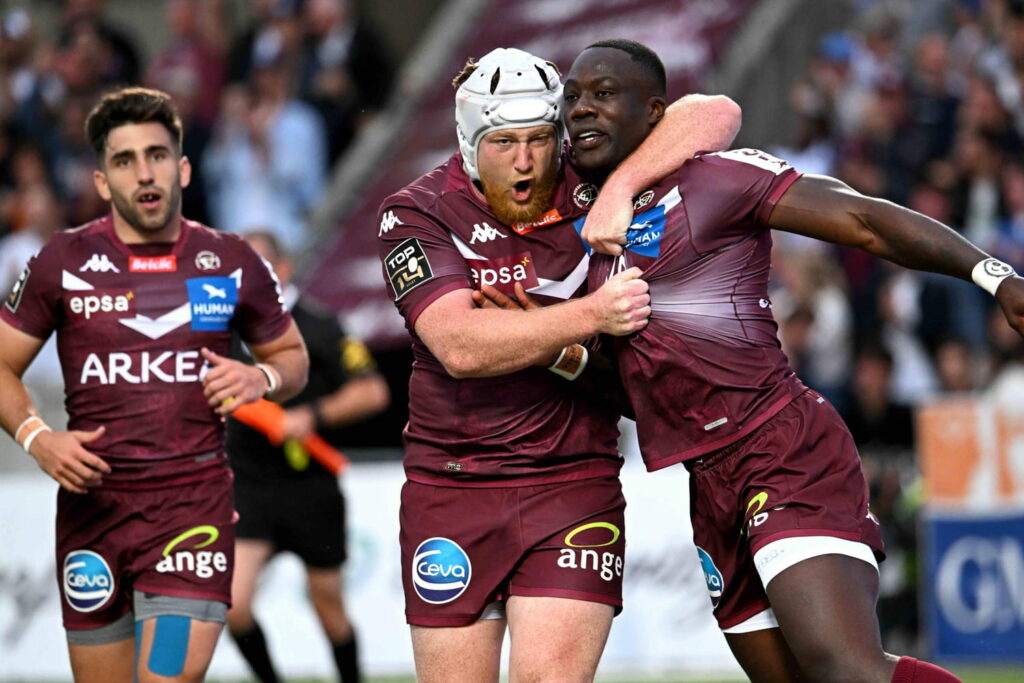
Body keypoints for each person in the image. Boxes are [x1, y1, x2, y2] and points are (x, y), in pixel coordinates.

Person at [568, 39, 1024, 683]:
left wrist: (994, 276)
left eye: (604, 94)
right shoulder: (587, 229)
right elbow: (636, 386)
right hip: (707, 482)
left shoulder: (714, 181)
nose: (582, 109)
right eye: (573, 97)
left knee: (847, 670)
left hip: (781, 447)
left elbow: (865, 220)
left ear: (654, 113)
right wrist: (558, 350)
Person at [375, 47, 740, 683]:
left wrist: (623, 187)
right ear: (467, 140)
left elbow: (716, 113)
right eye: (504, 142)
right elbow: (459, 347)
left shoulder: (592, 178)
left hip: (573, 482)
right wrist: (591, 316)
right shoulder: (416, 211)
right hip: (451, 484)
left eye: (541, 139)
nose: (526, 162)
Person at [0, 87, 308, 683]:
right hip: (94, 516)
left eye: (158, 154)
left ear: (183, 167)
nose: (145, 172)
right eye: (124, 160)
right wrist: (40, 438)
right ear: (101, 181)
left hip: (191, 514)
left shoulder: (231, 260)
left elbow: (292, 358)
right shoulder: (59, 261)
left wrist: (260, 375)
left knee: (163, 678)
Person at [226, 230, 389, 683]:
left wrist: (312, 416)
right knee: (233, 605)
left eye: (256, 270)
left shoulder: (320, 325)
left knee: (329, 609)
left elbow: (374, 391)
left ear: (283, 270)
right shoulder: (222, 331)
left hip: (311, 489)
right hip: (248, 489)